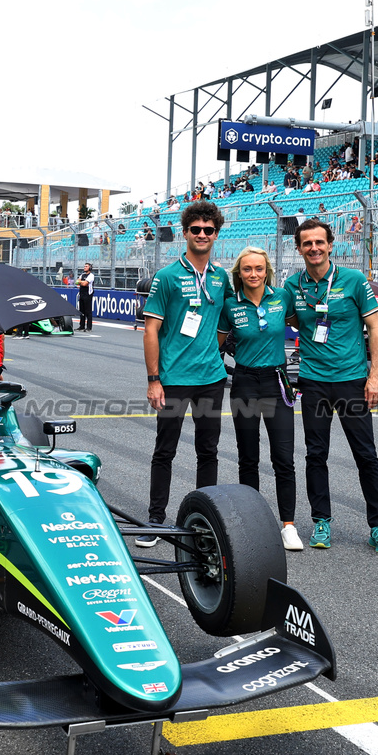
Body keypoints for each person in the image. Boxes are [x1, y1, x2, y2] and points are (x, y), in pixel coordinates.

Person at [283, 219, 378, 554]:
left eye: (320, 242)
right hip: (314, 381)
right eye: (307, 243)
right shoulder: (293, 286)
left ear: (331, 245)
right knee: (316, 455)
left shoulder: (354, 280)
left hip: (351, 381)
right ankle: (321, 521)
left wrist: (374, 376)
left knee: (366, 455)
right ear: (300, 248)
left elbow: (375, 330)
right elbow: (287, 319)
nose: (314, 248)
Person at [139, 200, 233, 547]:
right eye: (196, 229)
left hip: (211, 379)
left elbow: (224, 323)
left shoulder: (222, 276)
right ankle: (155, 519)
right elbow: (151, 331)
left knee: (208, 450)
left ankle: (204, 520)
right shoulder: (167, 276)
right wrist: (154, 379)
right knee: (165, 450)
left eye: (209, 230)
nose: (203, 234)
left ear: (216, 234)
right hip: (174, 380)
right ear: (185, 232)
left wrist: (213, 350)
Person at [217, 246, 302, 550]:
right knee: (248, 457)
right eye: (247, 269)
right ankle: (252, 521)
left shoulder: (282, 297)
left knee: (284, 458)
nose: (254, 274)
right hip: (245, 383)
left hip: (277, 382)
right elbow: (214, 344)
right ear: (238, 273)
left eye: (259, 269)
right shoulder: (230, 305)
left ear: (268, 271)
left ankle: (288, 525)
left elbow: (303, 324)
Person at [76, 263, 95, 331]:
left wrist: (81, 282)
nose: (84, 267)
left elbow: (85, 283)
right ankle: (82, 326)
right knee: (82, 311)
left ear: (89, 268)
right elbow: (77, 282)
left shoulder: (91, 275)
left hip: (88, 295)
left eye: (86, 266)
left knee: (88, 312)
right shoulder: (82, 275)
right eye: (84, 266)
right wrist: (81, 282)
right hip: (81, 294)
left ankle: (89, 327)